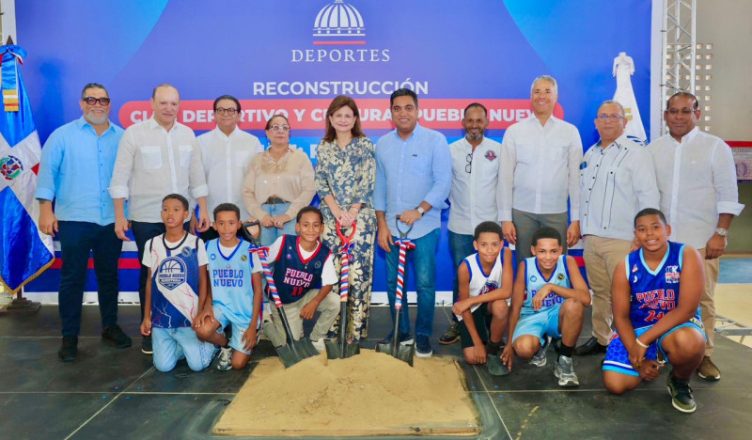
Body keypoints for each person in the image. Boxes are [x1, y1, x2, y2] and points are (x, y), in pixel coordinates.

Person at [649, 92, 745, 381]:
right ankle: (663, 350)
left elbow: (728, 194)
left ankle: (704, 354)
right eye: (673, 111)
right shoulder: (654, 149)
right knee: (662, 299)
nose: (679, 117)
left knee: (702, 300)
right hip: (662, 244)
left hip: (702, 241)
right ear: (665, 115)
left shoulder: (715, 148)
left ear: (697, 114)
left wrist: (721, 233)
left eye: (685, 111)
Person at [110, 83, 210, 355]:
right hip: (146, 217)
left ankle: (183, 327)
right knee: (151, 275)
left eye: (174, 103)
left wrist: (202, 209)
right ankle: (151, 331)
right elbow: (119, 178)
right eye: (163, 102)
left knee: (184, 273)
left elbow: (197, 176)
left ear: (179, 105)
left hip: (183, 218)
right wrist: (119, 216)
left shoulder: (188, 134)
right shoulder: (134, 134)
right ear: (152, 103)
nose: (169, 108)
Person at [36, 83, 131, 361]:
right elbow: (47, 175)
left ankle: (110, 326)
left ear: (109, 104)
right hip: (74, 220)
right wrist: (45, 210)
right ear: (81, 103)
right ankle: (69, 338)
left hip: (111, 221)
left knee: (108, 276)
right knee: (72, 279)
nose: (97, 104)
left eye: (103, 100)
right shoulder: (62, 136)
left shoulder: (124, 137)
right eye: (91, 99)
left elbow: (130, 177)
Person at [575, 100, 659, 356]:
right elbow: (583, 196)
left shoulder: (637, 154)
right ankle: (601, 339)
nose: (608, 121)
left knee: (629, 295)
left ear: (625, 122)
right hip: (592, 237)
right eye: (603, 116)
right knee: (601, 293)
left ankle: (634, 346)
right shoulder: (590, 154)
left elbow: (648, 197)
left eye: (614, 116)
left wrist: (642, 236)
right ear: (596, 123)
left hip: (623, 239)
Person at [602, 208, 706, 414]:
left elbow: (687, 309)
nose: (649, 233)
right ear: (636, 235)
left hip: (677, 325)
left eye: (655, 227)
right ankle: (651, 360)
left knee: (690, 343)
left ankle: (679, 380)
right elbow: (620, 316)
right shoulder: (625, 265)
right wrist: (638, 358)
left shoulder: (686, 254)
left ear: (668, 230)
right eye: (642, 229)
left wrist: (642, 342)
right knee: (616, 385)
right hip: (639, 328)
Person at [375, 88, 452, 358]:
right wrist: (382, 225)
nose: (403, 113)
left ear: (418, 111)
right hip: (392, 228)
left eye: (409, 107)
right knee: (393, 283)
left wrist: (419, 210)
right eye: (397, 108)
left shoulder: (435, 140)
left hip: (425, 226)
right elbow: (379, 186)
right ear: (391, 113)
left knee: (425, 284)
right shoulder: (383, 144)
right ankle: (402, 330)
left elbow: (443, 182)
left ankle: (422, 335)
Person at [500, 75, 583, 263]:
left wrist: (576, 220)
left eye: (547, 91)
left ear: (556, 97)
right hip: (522, 213)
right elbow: (505, 178)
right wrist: (505, 218)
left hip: (556, 212)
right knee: (525, 266)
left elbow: (576, 179)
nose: (542, 96)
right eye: (537, 92)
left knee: (557, 266)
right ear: (531, 97)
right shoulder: (514, 131)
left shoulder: (569, 132)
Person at [440, 103, 503, 346]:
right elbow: (443, 184)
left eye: (479, 120)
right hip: (460, 225)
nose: (474, 125)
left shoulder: (498, 150)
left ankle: (487, 325)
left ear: (486, 123)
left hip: (490, 226)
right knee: (462, 277)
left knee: (490, 279)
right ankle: (458, 322)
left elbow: (504, 186)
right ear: (463, 122)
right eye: (470, 120)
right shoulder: (451, 151)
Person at [315, 95, 376, 342]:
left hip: (360, 219)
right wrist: (336, 211)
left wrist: (352, 211)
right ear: (330, 118)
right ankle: (333, 328)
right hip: (331, 220)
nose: (342, 120)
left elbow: (368, 181)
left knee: (357, 275)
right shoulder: (324, 146)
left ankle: (355, 331)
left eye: (347, 115)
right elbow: (321, 182)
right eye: (338, 115)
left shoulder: (365, 145)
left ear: (355, 119)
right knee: (333, 273)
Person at [501, 227, 590, 387]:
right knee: (524, 349)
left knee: (574, 305)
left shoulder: (567, 261)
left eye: (553, 251)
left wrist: (551, 287)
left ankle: (564, 360)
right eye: (542, 251)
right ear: (533, 250)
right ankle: (541, 344)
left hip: (558, 314)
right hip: (532, 316)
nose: (548, 257)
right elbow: (515, 306)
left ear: (560, 250)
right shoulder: (525, 266)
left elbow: (586, 298)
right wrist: (509, 344)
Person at [139, 194, 216, 372]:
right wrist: (147, 316)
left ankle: (211, 345)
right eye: (165, 209)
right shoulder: (152, 244)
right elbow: (149, 282)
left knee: (197, 366)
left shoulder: (196, 243)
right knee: (163, 367)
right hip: (161, 321)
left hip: (188, 320)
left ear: (186, 214)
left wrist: (200, 312)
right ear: (161, 214)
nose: (170, 214)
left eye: (176, 210)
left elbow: (203, 280)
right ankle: (181, 347)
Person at [193, 203, 263, 370]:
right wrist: (207, 305)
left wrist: (252, 325)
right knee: (202, 330)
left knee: (238, 365)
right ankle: (226, 345)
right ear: (214, 225)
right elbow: (208, 281)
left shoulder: (250, 250)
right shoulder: (208, 247)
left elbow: (258, 291)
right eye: (221, 223)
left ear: (239, 224)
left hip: (244, 312)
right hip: (221, 306)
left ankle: (255, 332)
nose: (226, 228)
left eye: (231, 223)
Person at [261, 207, 339, 351]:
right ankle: (266, 323)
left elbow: (328, 283)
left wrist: (314, 303)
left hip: (304, 296)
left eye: (316, 225)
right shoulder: (284, 242)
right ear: (297, 227)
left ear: (322, 228)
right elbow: (262, 259)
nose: (311, 230)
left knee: (335, 302)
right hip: (283, 302)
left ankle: (316, 338)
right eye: (305, 225)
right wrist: (256, 245)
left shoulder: (324, 253)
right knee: (288, 346)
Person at [242, 114, 315, 246]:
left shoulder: (300, 158)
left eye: (284, 127)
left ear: (289, 132)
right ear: (267, 133)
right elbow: (247, 192)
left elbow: (309, 189)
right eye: (275, 127)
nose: (280, 131)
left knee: (288, 256)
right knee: (265, 256)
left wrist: (288, 215)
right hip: (263, 216)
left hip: (291, 214)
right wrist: (261, 215)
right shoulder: (257, 160)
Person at [198, 95, 263, 241]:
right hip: (212, 219)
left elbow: (259, 180)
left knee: (248, 255)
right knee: (211, 255)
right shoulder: (201, 142)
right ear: (214, 115)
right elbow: (196, 180)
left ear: (239, 115)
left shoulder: (252, 142)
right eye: (221, 110)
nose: (225, 114)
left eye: (231, 110)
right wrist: (197, 212)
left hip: (246, 218)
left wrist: (257, 212)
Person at [450, 222, 512, 368]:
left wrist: (471, 301)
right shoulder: (465, 267)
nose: (489, 250)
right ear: (476, 245)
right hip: (470, 311)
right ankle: (479, 336)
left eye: (494, 244)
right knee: (472, 357)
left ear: (501, 244)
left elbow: (507, 291)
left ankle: (493, 347)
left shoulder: (506, 254)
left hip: (490, 305)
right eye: (484, 245)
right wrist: (477, 343)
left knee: (501, 306)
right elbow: (464, 308)